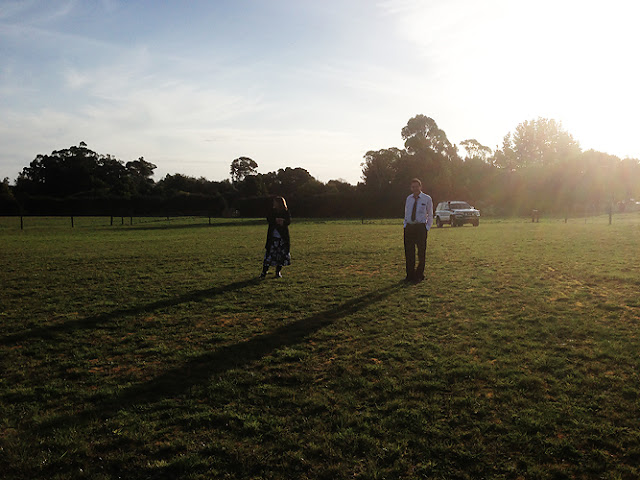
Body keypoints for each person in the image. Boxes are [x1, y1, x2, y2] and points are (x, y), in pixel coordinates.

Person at [403, 178, 433, 282]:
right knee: (409, 252)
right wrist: (405, 225)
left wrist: (427, 228)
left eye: (416, 186)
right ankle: (410, 275)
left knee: (421, 252)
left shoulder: (427, 198)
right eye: (413, 187)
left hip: (420, 228)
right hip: (409, 228)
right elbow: (406, 212)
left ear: (420, 187)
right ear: (411, 188)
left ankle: (419, 275)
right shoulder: (409, 198)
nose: (415, 189)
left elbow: (430, 214)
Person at [260, 196, 291, 279]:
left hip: (282, 238)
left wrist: (283, 221)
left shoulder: (285, 212)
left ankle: (278, 272)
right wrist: (275, 220)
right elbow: (269, 219)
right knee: (269, 255)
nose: (274, 204)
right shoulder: (272, 211)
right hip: (272, 237)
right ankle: (264, 272)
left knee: (280, 256)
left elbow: (288, 221)